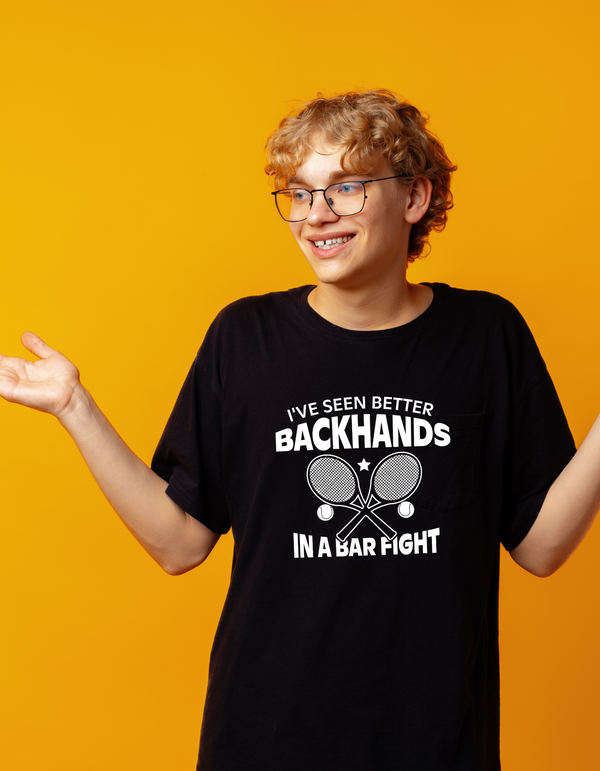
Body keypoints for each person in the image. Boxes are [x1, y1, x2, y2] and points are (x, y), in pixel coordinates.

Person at [1, 89, 599, 770]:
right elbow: (178, 543)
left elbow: (542, 546)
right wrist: (73, 406)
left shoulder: (488, 336)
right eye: (300, 193)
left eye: (345, 188)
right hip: (265, 740)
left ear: (414, 199)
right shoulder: (243, 339)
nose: (315, 215)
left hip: (436, 742)